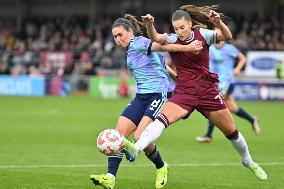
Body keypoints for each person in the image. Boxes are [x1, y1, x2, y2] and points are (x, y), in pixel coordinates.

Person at [122, 5, 267, 182]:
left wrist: (218, 22)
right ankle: (135, 149)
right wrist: (150, 25)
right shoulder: (172, 39)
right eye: (176, 28)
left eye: (182, 27)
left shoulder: (203, 35)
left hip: (207, 90)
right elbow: (156, 38)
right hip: (185, 92)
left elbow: (227, 36)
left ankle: (248, 161)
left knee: (232, 132)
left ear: (190, 24)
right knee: (161, 119)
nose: (179, 31)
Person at [90, 14, 203, 189]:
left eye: (120, 34)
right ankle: (110, 177)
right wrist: (179, 79)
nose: (117, 39)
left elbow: (160, 46)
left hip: (160, 94)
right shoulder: (133, 49)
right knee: (118, 134)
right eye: (114, 36)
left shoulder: (138, 42)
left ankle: (161, 166)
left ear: (130, 31)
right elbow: (161, 63)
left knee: (139, 136)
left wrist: (187, 49)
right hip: (142, 96)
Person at [195, 40, 261, 143]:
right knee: (233, 108)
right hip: (215, 82)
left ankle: (208, 135)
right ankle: (252, 120)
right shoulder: (210, 48)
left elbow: (243, 58)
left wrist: (238, 69)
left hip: (227, 81)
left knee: (214, 105)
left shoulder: (229, 48)